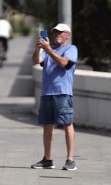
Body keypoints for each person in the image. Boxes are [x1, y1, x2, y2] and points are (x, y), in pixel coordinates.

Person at [30, 23, 78, 171]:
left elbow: (64, 63)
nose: (57, 34)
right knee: (47, 127)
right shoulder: (47, 51)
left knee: (67, 124)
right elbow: (36, 61)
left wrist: (48, 49)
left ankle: (70, 160)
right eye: (55, 32)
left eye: (60, 32)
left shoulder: (71, 49)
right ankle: (47, 159)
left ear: (67, 35)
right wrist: (39, 48)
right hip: (47, 93)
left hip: (62, 93)